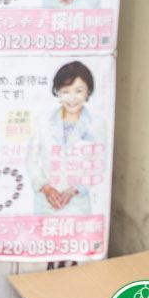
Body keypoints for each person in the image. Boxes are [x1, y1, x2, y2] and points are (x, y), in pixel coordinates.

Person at [28, 61, 104, 214]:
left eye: (78, 91)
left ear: (88, 91)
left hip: (78, 204)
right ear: (58, 91)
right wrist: (46, 187)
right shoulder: (43, 120)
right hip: (46, 203)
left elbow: (99, 164)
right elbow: (31, 159)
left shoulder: (97, 124)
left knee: (77, 237)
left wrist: (76, 189)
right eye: (66, 91)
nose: (72, 98)